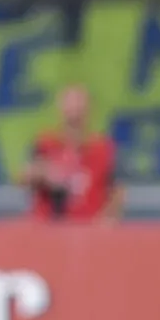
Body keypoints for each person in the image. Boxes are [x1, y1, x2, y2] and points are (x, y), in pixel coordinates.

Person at [22, 85, 124, 223]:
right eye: (70, 107)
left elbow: (117, 190)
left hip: (87, 228)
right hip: (47, 226)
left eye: (79, 107)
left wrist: (107, 219)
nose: (74, 114)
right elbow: (25, 177)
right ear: (61, 109)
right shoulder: (46, 144)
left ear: (88, 110)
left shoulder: (103, 148)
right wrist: (44, 173)